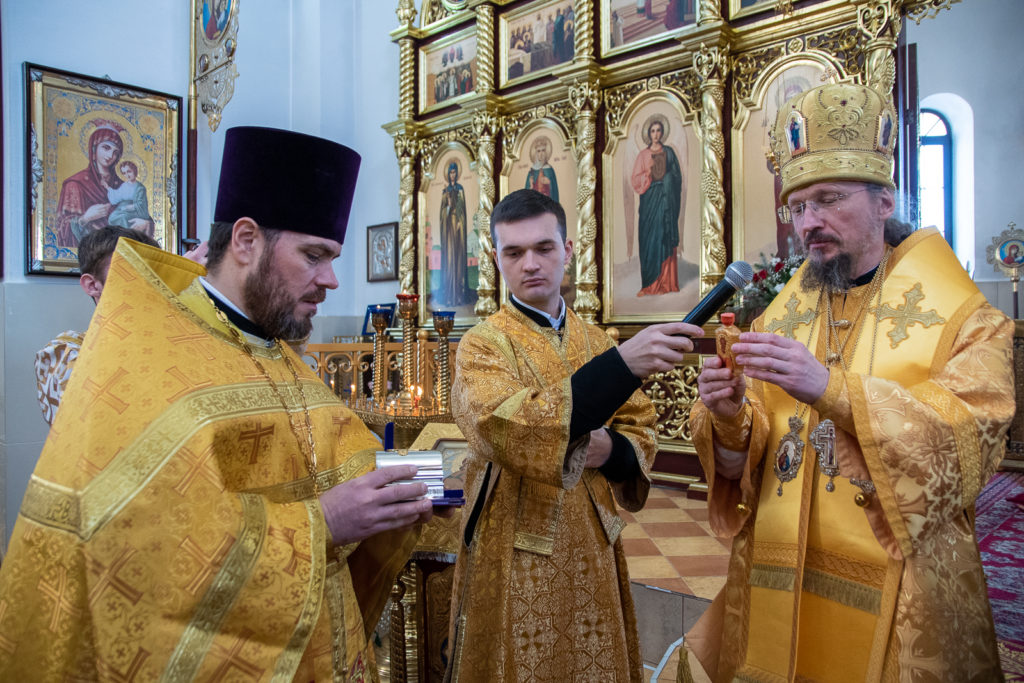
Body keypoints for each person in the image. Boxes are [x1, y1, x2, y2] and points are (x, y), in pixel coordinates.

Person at [1, 126, 440, 680]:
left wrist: (436, 478)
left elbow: (346, 462)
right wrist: (322, 523)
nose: (331, 279)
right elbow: (137, 546)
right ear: (247, 239)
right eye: (314, 255)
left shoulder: (280, 354)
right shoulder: (148, 359)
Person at [685, 82, 1012, 681]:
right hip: (780, 570)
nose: (810, 223)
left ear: (885, 200)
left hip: (899, 577)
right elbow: (746, 456)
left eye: (830, 200)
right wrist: (729, 417)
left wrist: (832, 391)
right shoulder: (784, 311)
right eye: (799, 207)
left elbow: (972, 437)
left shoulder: (965, 317)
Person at [445, 188, 701, 681]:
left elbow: (640, 424)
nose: (531, 263)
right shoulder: (483, 345)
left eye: (544, 248)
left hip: (591, 535)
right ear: (496, 260)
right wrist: (620, 367)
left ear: (568, 251)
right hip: (514, 540)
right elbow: (502, 424)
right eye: (514, 252)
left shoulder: (595, 339)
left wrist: (615, 450)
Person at [34, 226, 159, 426]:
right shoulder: (64, 352)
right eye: (128, 272)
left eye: (154, 274)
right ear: (92, 285)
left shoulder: (166, 341)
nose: (146, 284)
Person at [55, 121, 136, 247]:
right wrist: (85, 218)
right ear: (94, 147)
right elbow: (62, 227)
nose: (110, 156)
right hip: (91, 254)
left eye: (115, 152)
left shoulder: (123, 186)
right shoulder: (75, 184)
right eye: (106, 148)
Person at [631, 116, 683, 296]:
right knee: (648, 240)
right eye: (652, 131)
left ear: (662, 133)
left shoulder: (669, 152)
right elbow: (636, 180)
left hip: (666, 200)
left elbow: (677, 177)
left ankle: (666, 284)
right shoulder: (643, 155)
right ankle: (648, 285)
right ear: (648, 133)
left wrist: (667, 178)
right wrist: (649, 173)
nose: (656, 134)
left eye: (658, 130)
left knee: (663, 236)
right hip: (649, 201)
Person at [438, 160, 471, 306]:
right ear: (448, 174)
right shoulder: (445, 192)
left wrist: (460, 222)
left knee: (457, 261)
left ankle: (459, 294)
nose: (453, 175)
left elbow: (462, 211)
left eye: (454, 172)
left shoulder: (460, 189)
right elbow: (442, 213)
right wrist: (448, 208)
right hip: (448, 233)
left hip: (458, 231)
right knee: (449, 261)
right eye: (450, 172)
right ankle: (448, 295)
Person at [106, 161, 155, 234]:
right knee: (112, 217)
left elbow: (141, 204)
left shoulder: (140, 188)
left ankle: (127, 236)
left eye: (129, 172)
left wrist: (131, 207)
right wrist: (108, 188)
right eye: (124, 173)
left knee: (123, 218)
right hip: (122, 209)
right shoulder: (124, 185)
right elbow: (117, 196)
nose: (127, 175)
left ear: (134, 171)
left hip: (135, 211)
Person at [524, 135, 559, 202]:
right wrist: (531, 185)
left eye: (543, 150)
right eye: (538, 151)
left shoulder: (549, 170)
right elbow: (526, 193)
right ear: (536, 153)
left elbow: (554, 192)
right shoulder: (532, 171)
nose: (541, 154)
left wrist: (549, 183)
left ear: (546, 152)